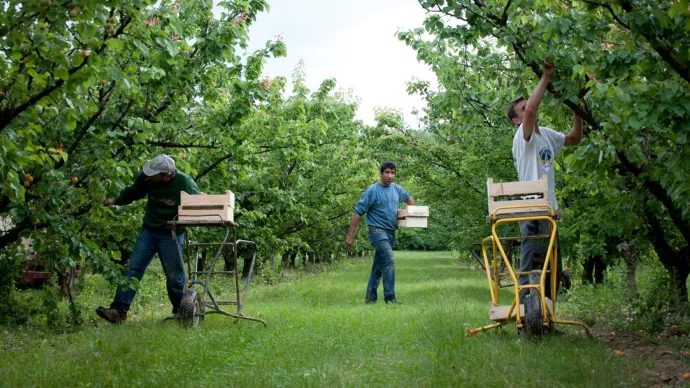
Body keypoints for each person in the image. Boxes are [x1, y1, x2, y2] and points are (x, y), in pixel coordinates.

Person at [507, 61, 583, 299]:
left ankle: (547, 313)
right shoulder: (522, 135)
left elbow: (574, 138)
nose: (529, 108)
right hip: (530, 205)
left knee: (552, 261)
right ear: (516, 121)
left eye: (527, 105)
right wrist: (546, 76)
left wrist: (577, 109)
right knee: (530, 253)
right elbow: (531, 111)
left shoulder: (547, 134)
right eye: (523, 109)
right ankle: (524, 306)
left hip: (549, 206)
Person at [96, 154, 202, 323]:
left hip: (171, 232)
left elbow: (199, 203)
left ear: (166, 176)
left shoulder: (184, 183)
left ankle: (183, 312)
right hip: (149, 230)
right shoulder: (148, 178)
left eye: (154, 175)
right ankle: (118, 311)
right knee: (133, 268)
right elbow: (133, 192)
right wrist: (113, 200)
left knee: (174, 276)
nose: (149, 176)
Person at [345, 161, 415, 305]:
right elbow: (358, 212)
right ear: (381, 173)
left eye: (393, 173)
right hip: (376, 231)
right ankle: (390, 298)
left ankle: (370, 298)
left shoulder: (397, 189)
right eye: (387, 172)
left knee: (378, 267)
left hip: (390, 233)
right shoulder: (372, 190)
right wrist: (350, 235)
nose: (390, 176)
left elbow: (409, 199)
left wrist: (415, 214)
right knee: (389, 260)